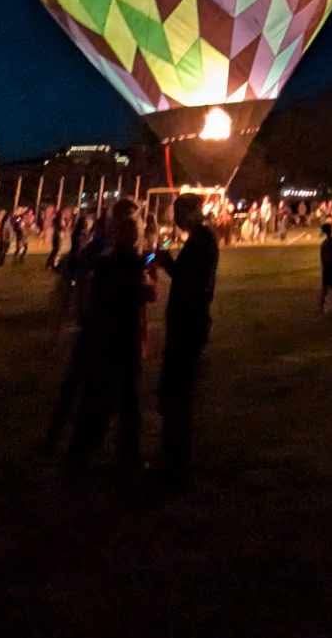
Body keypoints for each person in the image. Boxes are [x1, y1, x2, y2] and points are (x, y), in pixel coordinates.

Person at [59, 202, 152, 475]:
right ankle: (119, 457)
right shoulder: (125, 263)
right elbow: (137, 294)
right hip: (119, 338)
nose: (137, 235)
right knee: (119, 402)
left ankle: (83, 454)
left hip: (107, 337)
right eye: (134, 230)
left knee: (104, 400)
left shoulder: (107, 259)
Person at [154, 194, 220, 484]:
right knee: (177, 392)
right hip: (187, 321)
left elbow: (190, 279)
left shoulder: (202, 241)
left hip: (188, 323)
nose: (176, 217)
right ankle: (175, 455)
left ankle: (176, 461)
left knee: (177, 392)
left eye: (180, 211)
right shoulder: (199, 238)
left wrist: (166, 261)